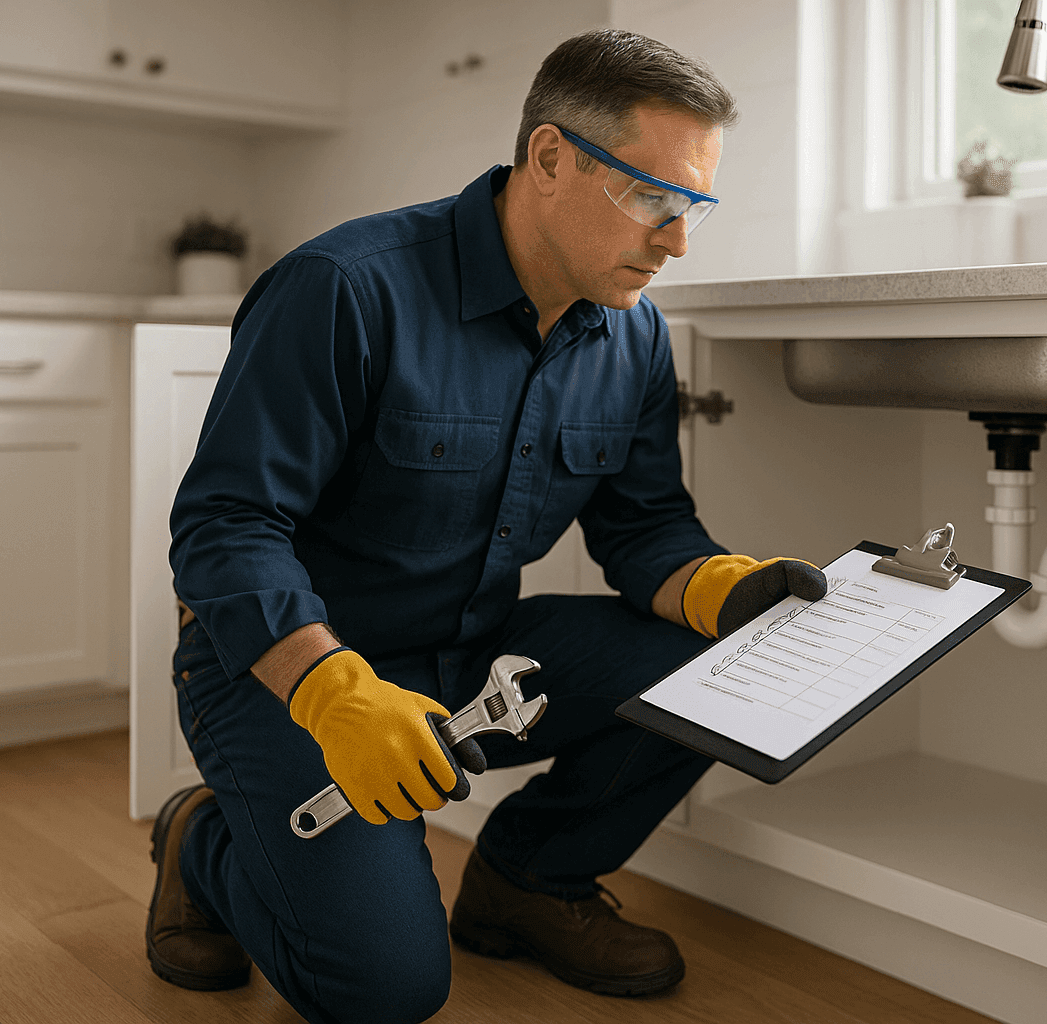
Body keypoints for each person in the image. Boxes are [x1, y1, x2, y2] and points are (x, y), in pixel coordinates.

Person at [148, 28, 826, 1023]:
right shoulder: (346, 288)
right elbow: (222, 527)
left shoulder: (631, 333)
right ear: (549, 159)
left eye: (693, 205)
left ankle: (528, 881)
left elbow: (644, 531)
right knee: (384, 992)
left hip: (468, 654)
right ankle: (203, 842)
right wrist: (338, 695)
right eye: (653, 197)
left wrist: (733, 592)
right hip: (290, 672)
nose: (677, 239)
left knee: (717, 671)